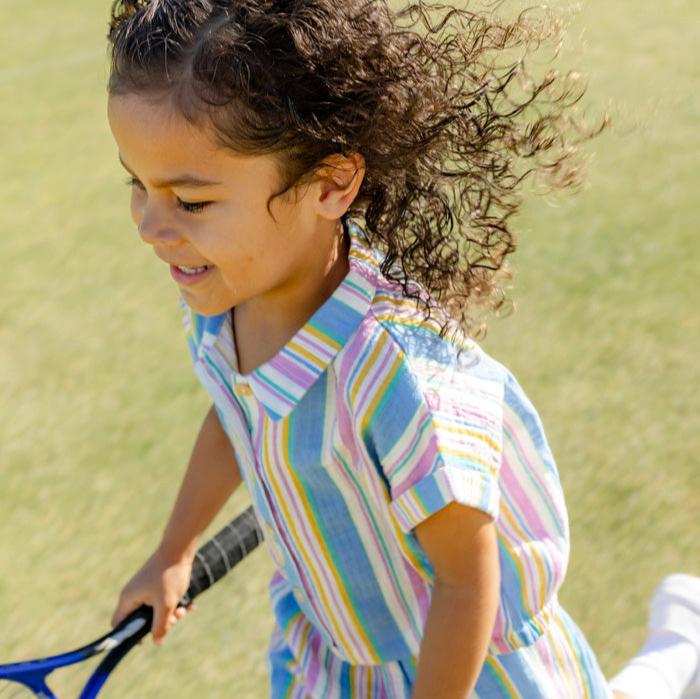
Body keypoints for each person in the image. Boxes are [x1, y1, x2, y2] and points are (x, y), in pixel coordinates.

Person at [105, 1, 700, 697]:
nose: (150, 224)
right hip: (339, 657)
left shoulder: (399, 376)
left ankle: (679, 647)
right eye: (137, 185)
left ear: (330, 183)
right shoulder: (221, 305)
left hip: (464, 669)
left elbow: (467, 575)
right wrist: (173, 551)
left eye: (191, 201)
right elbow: (240, 418)